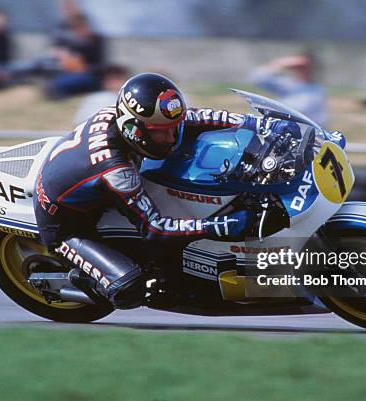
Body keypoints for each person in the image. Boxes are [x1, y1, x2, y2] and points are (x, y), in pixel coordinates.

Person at [34, 73, 277, 309]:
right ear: (134, 130)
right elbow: (155, 228)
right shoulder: (114, 169)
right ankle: (82, 280)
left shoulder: (137, 117)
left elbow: (198, 117)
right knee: (129, 288)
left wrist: (263, 124)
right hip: (66, 222)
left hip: (90, 183)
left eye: (173, 127)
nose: (172, 137)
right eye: (161, 131)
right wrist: (220, 225)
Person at [248, 52, 329, 127]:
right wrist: (281, 63)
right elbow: (256, 78)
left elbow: (320, 120)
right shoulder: (285, 84)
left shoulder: (316, 90)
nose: (303, 71)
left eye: (307, 67)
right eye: (300, 67)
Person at [44, 13, 106, 99]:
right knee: (57, 79)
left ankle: (59, 93)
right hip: (76, 73)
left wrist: (84, 68)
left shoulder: (97, 41)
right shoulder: (76, 43)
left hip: (93, 76)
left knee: (64, 82)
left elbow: (101, 65)